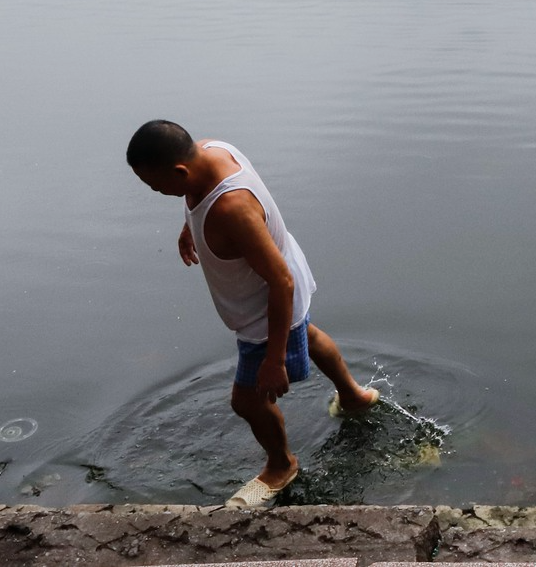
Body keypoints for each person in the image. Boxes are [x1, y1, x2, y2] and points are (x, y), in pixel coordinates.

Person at [126, 119, 377, 508]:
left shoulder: (231, 208)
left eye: (158, 186)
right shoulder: (211, 149)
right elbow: (200, 199)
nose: (159, 193)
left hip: (268, 309)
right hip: (282, 266)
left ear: (180, 171)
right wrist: (190, 224)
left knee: (247, 401)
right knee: (307, 335)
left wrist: (275, 359)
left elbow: (280, 283)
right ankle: (354, 396)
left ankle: (282, 464)